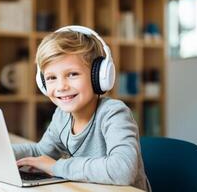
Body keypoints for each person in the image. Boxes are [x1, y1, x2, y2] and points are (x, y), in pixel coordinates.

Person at [12, 25, 149, 191]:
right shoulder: (62, 115)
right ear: (42, 83)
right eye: (51, 78)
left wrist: (57, 167)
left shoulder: (114, 113)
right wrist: (0, 152)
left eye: (72, 74)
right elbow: (41, 152)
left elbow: (122, 170)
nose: (61, 86)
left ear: (98, 76)